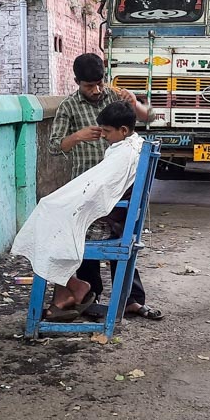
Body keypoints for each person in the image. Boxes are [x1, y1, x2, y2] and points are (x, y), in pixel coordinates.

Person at [49, 53, 163, 320]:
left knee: (116, 232)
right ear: (77, 81)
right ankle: (93, 296)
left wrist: (136, 103)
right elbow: (55, 147)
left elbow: (149, 117)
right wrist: (77, 136)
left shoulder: (115, 96)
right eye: (89, 86)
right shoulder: (69, 107)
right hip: (88, 185)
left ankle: (130, 300)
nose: (97, 90)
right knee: (85, 241)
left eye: (100, 83)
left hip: (118, 188)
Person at [12, 101, 144, 321]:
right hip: (116, 219)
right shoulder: (133, 145)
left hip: (108, 225)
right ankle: (68, 288)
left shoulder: (125, 153)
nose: (103, 136)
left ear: (123, 130)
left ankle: (71, 288)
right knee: (53, 218)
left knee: (50, 224)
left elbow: (102, 189)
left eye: (108, 132)